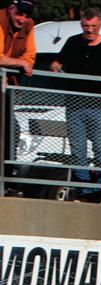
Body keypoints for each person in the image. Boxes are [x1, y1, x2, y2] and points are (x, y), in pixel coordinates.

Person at [49, 7, 101, 203]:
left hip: (98, 106)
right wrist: (57, 70)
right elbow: (56, 63)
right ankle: (83, 192)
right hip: (74, 105)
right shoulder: (73, 42)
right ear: (81, 25)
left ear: (100, 25)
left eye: (93, 26)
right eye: (86, 26)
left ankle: (100, 193)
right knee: (78, 151)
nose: (89, 30)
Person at [1, 0, 35, 185]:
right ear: (10, 11)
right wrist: (20, 63)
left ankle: (6, 177)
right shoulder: (0, 20)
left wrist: (23, 62)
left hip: (6, 88)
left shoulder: (29, 26)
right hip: (3, 86)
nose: (22, 19)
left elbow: (30, 56)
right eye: (19, 14)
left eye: (27, 15)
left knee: (11, 131)